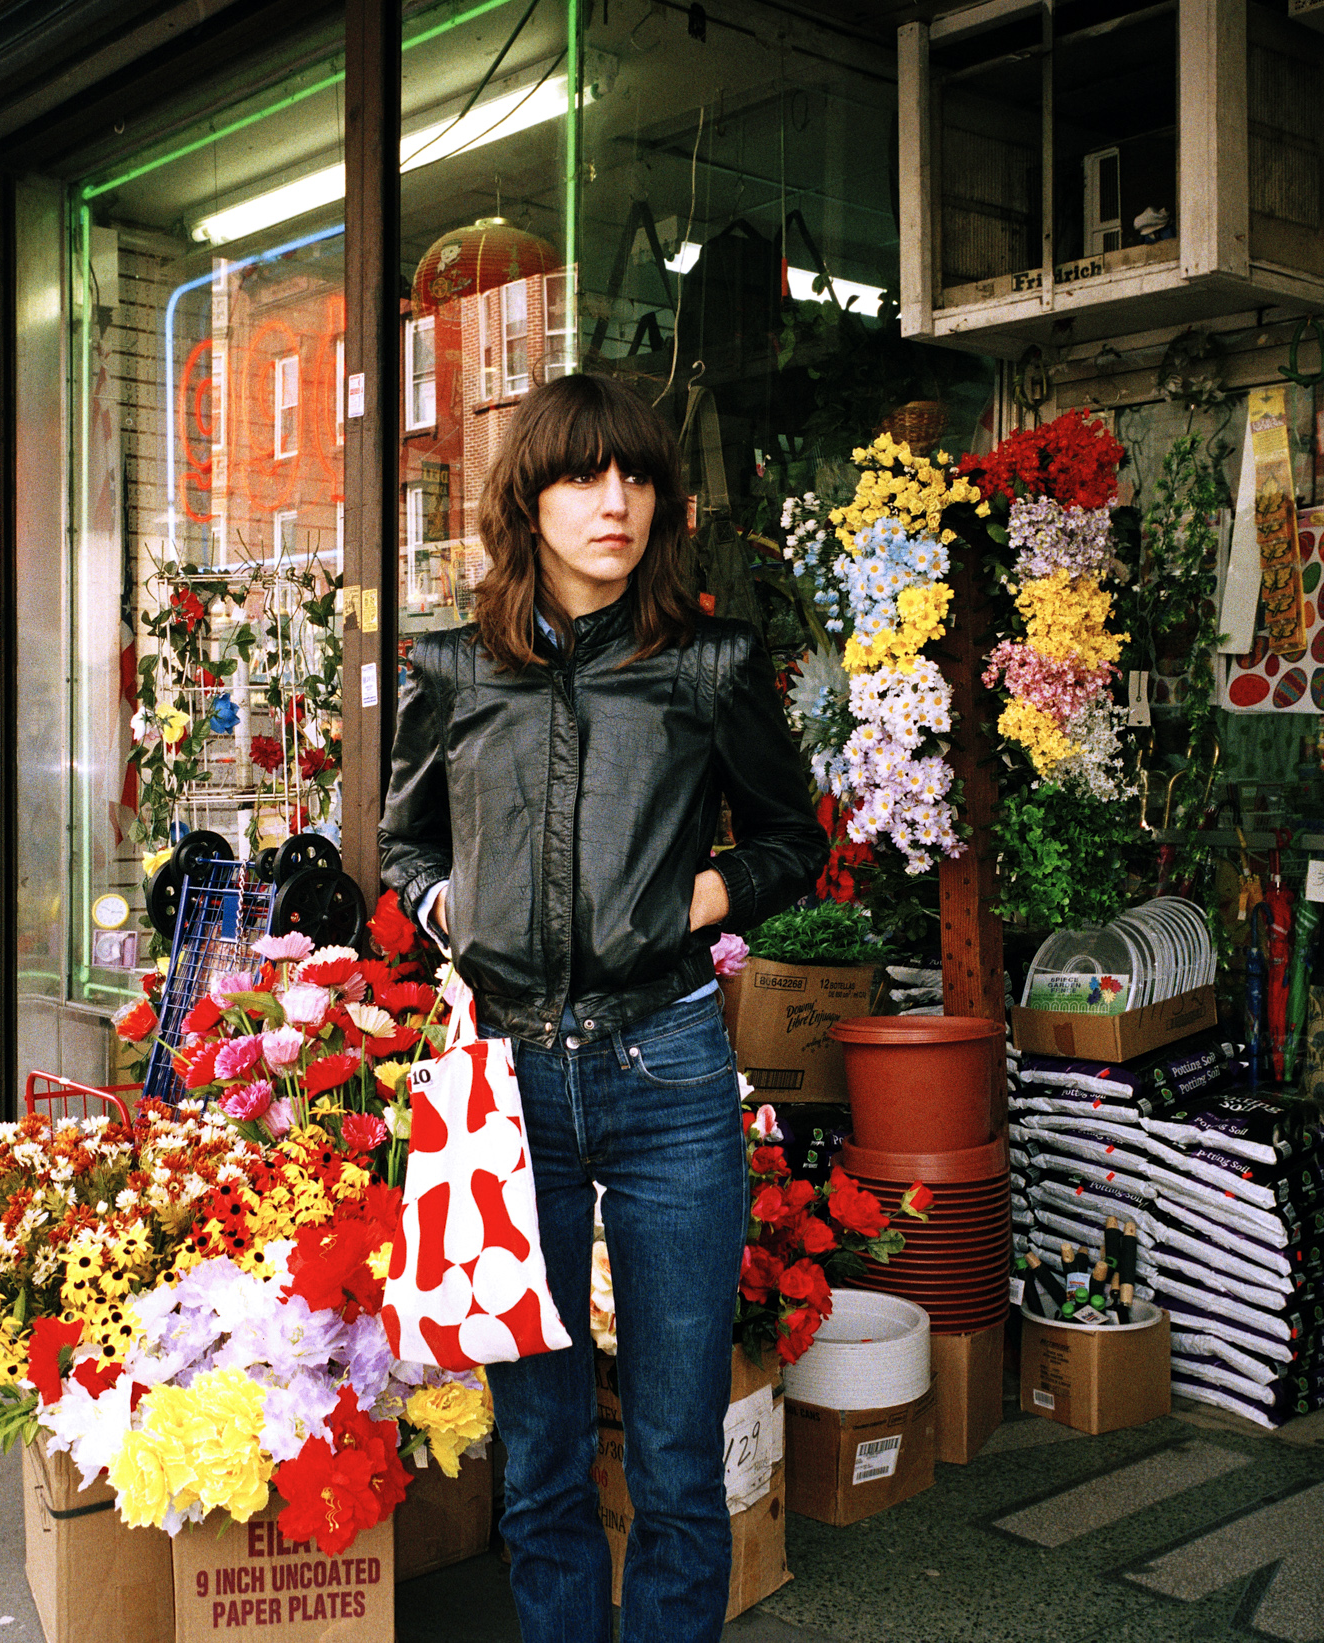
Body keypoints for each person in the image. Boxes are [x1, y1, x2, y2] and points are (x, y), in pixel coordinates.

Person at [379, 373, 825, 1643]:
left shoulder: (709, 663)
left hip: (667, 1072)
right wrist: (451, 907)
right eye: (582, 475)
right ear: (528, 500)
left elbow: (792, 838)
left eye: (634, 475)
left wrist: (700, 898)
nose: (613, 500)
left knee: (677, 1456)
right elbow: (403, 842)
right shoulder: (452, 667)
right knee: (541, 1457)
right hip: (510, 1087)